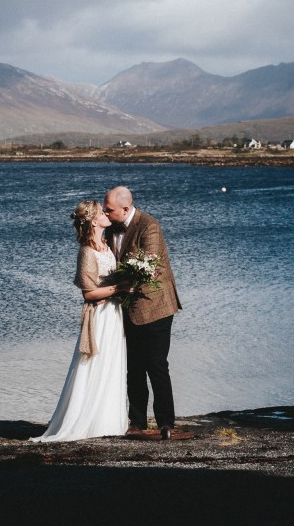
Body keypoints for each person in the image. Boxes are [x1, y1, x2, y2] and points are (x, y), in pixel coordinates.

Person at [30, 200, 130, 442]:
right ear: (94, 221)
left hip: (114, 315)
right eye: (101, 212)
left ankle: (109, 421)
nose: (107, 214)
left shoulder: (107, 245)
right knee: (95, 364)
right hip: (101, 317)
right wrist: (121, 287)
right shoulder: (87, 251)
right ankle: (87, 421)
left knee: (113, 365)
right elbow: (88, 293)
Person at [103, 186, 182, 440]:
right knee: (133, 368)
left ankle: (166, 423)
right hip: (127, 307)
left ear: (126, 208)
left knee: (156, 365)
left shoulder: (149, 226)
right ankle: (136, 422)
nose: (105, 211)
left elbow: (149, 266)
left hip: (155, 305)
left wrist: (114, 285)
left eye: (109, 208)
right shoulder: (109, 229)